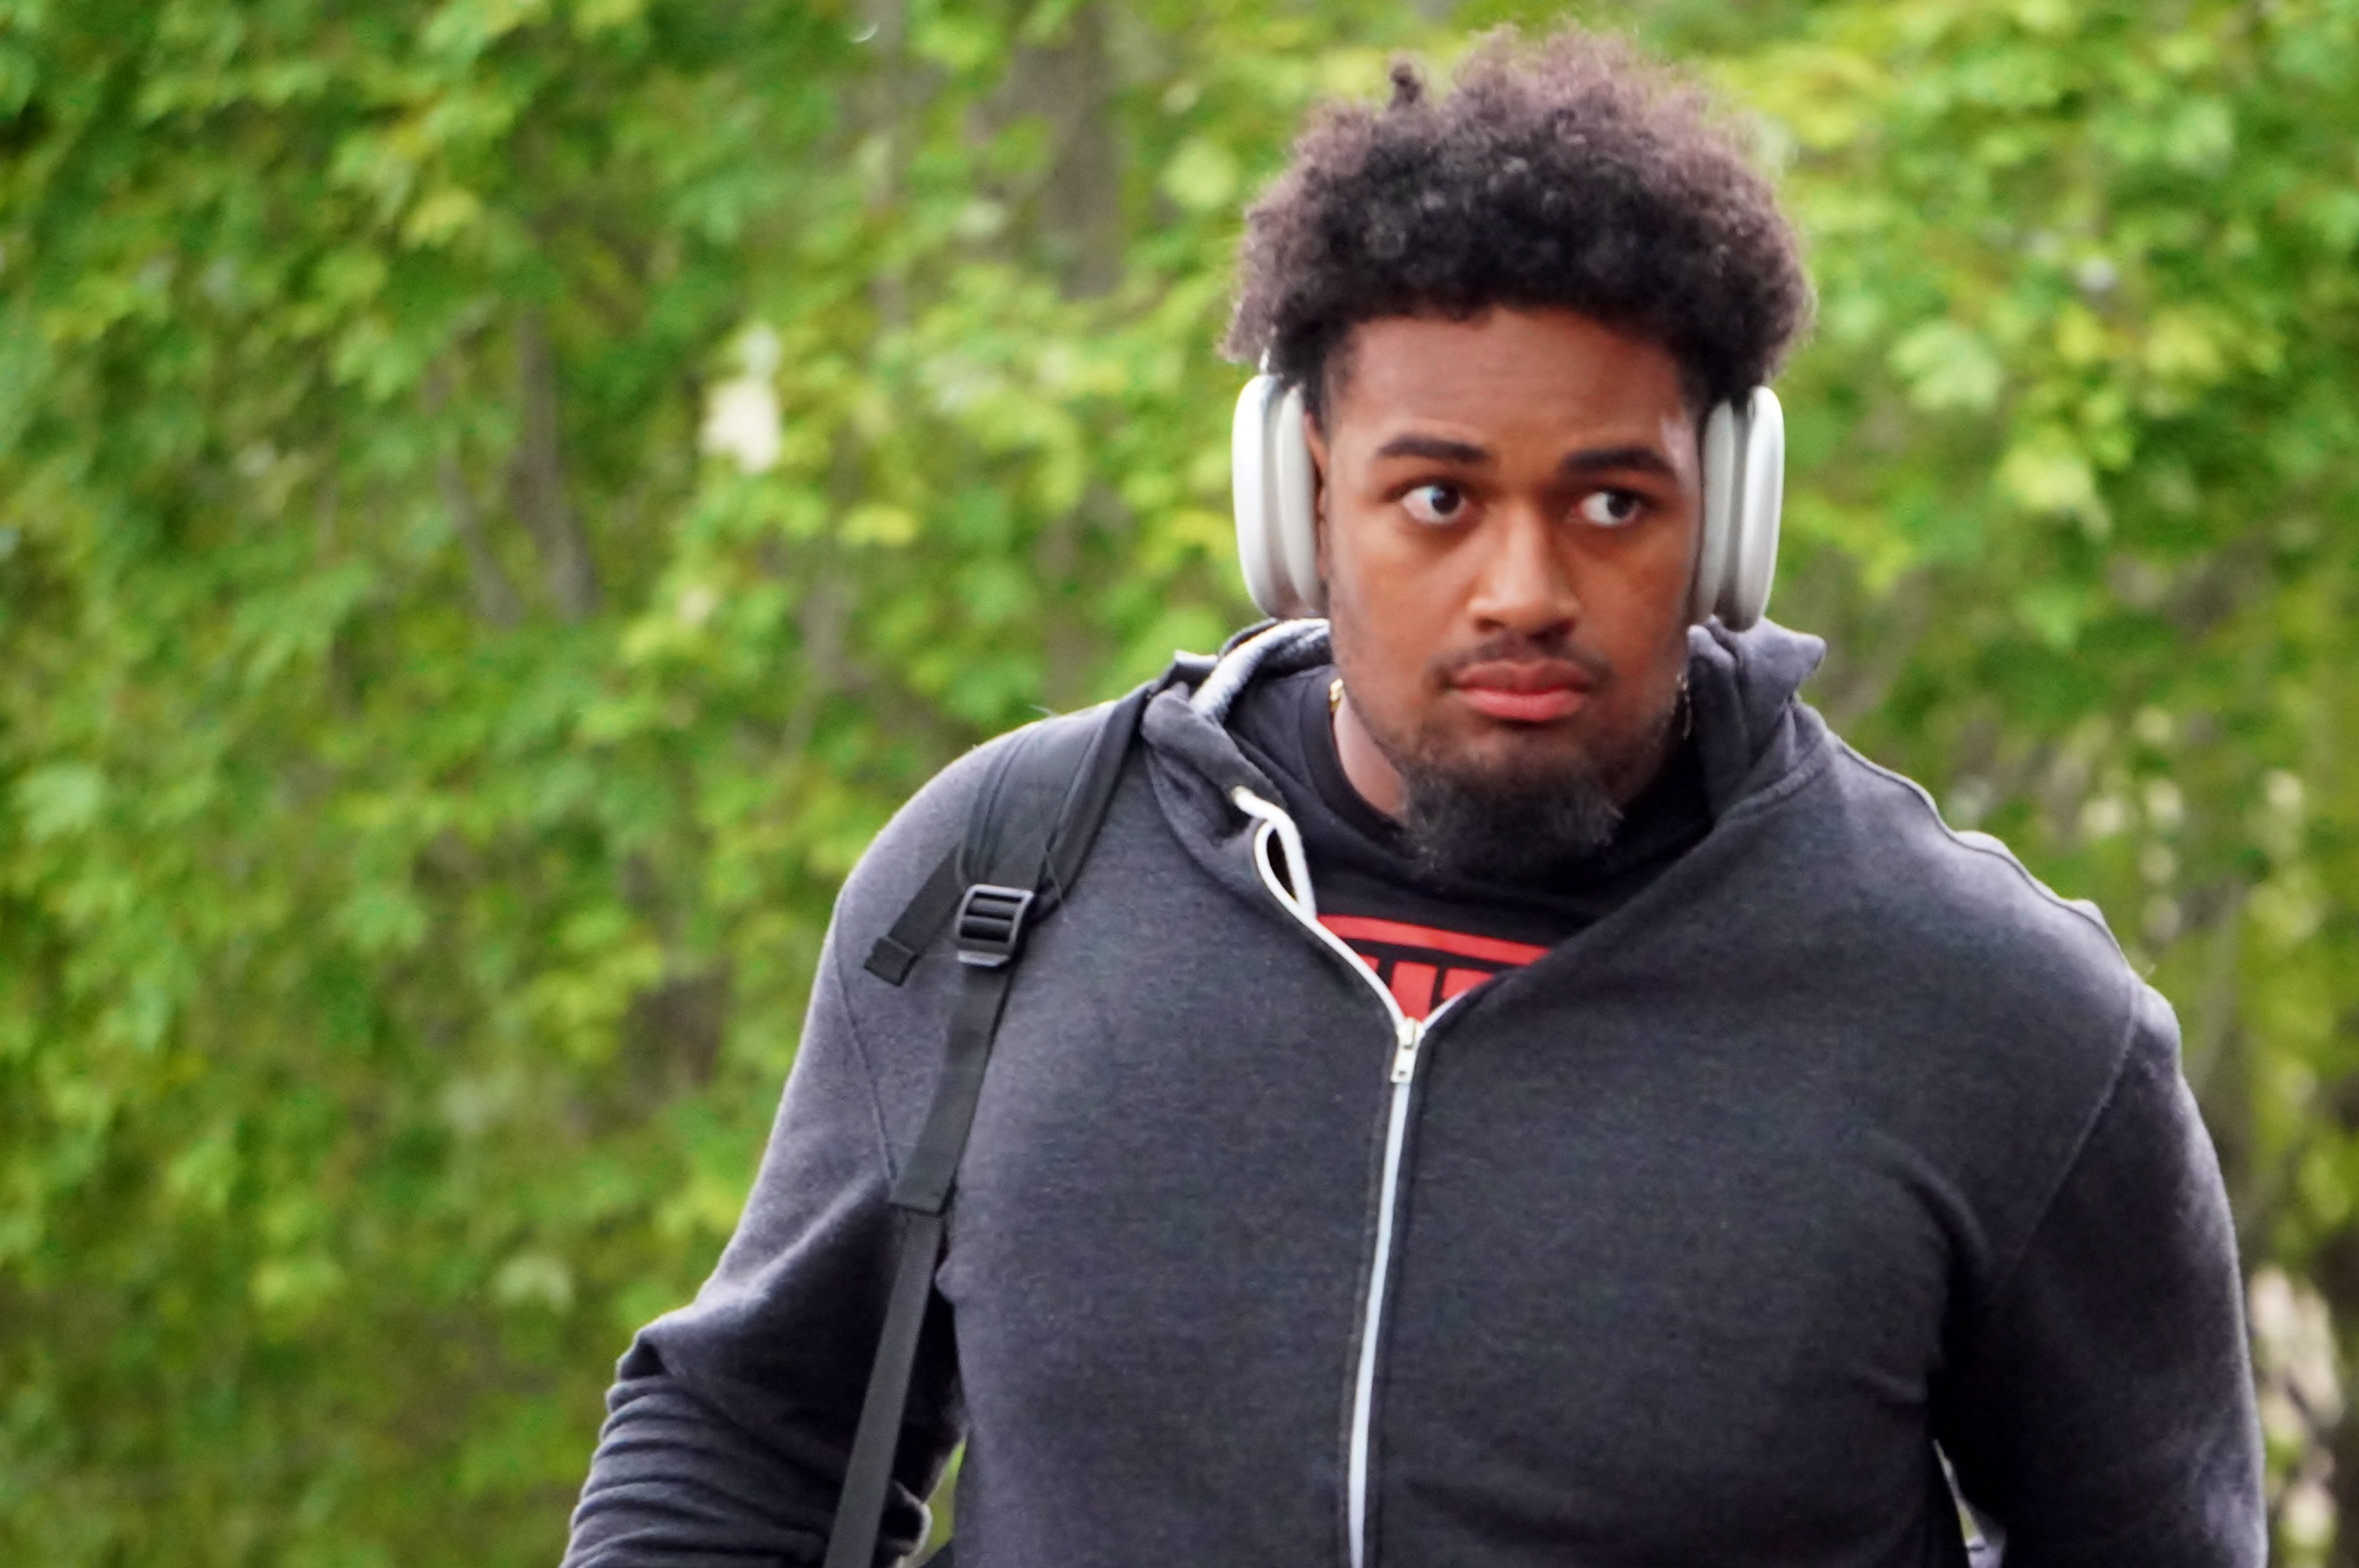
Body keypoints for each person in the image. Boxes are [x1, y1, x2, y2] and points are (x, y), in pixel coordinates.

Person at [562, 27, 2264, 1568]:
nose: (1523, 585)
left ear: (1729, 516)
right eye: (1439, 496)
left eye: (1611, 506)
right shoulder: (1006, 885)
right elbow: (741, 1440)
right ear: (1299, 499)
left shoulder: (2002, 1018)